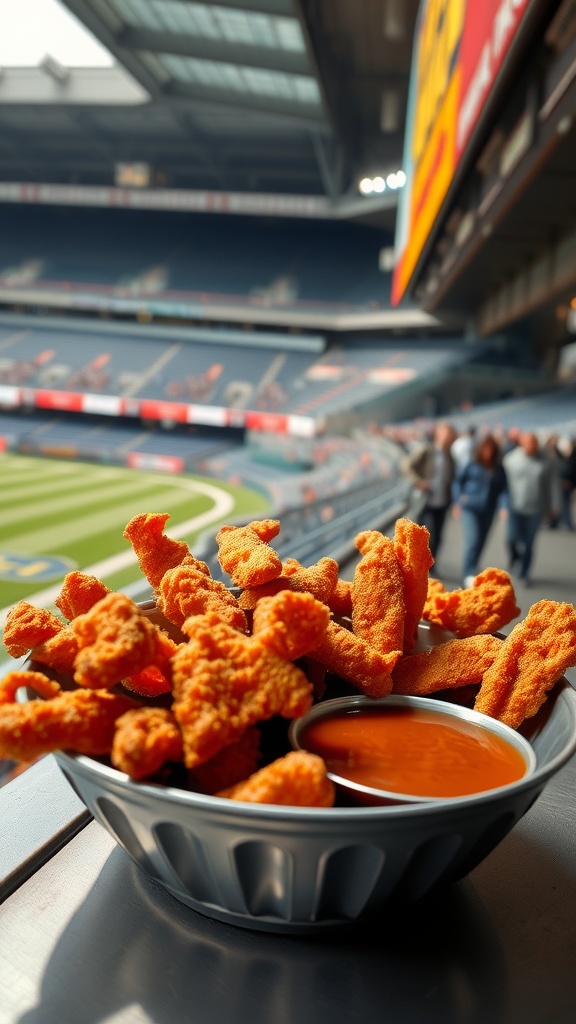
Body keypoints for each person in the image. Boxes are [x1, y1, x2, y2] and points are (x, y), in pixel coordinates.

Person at [451, 433, 507, 587]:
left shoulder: (498, 468)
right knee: (473, 540)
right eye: (485, 448)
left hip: (489, 510)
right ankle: (468, 573)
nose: (488, 452)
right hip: (470, 508)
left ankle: (473, 567)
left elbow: (503, 489)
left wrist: (504, 506)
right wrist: (458, 501)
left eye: (491, 449)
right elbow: (457, 482)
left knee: (481, 541)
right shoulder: (472, 465)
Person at [502, 430, 554, 586]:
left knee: (529, 543)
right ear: (522, 443)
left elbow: (549, 486)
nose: (531, 446)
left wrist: (551, 507)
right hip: (514, 507)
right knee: (511, 538)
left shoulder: (545, 461)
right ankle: (514, 558)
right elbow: (504, 485)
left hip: (535, 509)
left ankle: (524, 572)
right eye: (528, 442)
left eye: (534, 443)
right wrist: (503, 505)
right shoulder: (510, 460)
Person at [401, 420, 457, 560]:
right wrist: (419, 481)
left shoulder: (449, 456)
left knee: (438, 536)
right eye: (445, 435)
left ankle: (431, 564)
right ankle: (418, 564)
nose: (446, 438)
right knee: (424, 534)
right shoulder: (427, 450)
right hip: (426, 500)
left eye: (449, 436)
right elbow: (406, 465)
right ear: (438, 435)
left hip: (442, 501)